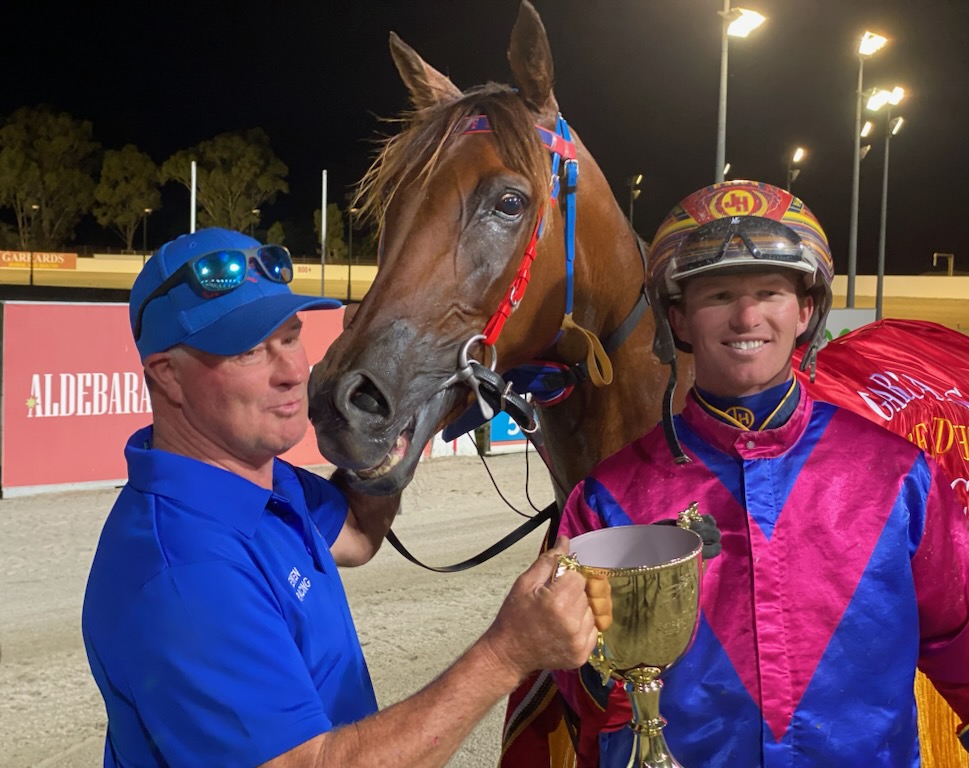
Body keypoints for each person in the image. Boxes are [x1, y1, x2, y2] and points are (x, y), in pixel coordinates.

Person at [81, 227, 599, 767]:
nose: (291, 372)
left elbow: (356, 532)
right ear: (168, 377)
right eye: (250, 350)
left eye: (289, 336)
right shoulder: (185, 573)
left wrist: (401, 405)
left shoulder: (255, 476)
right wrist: (506, 654)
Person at [548, 181, 969, 767]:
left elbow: (966, 649)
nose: (747, 316)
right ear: (680, 321)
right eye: (719, 294)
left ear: (804, 312)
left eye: (769, 292)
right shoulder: (608, 498)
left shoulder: (900, 476)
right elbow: (593, 695)